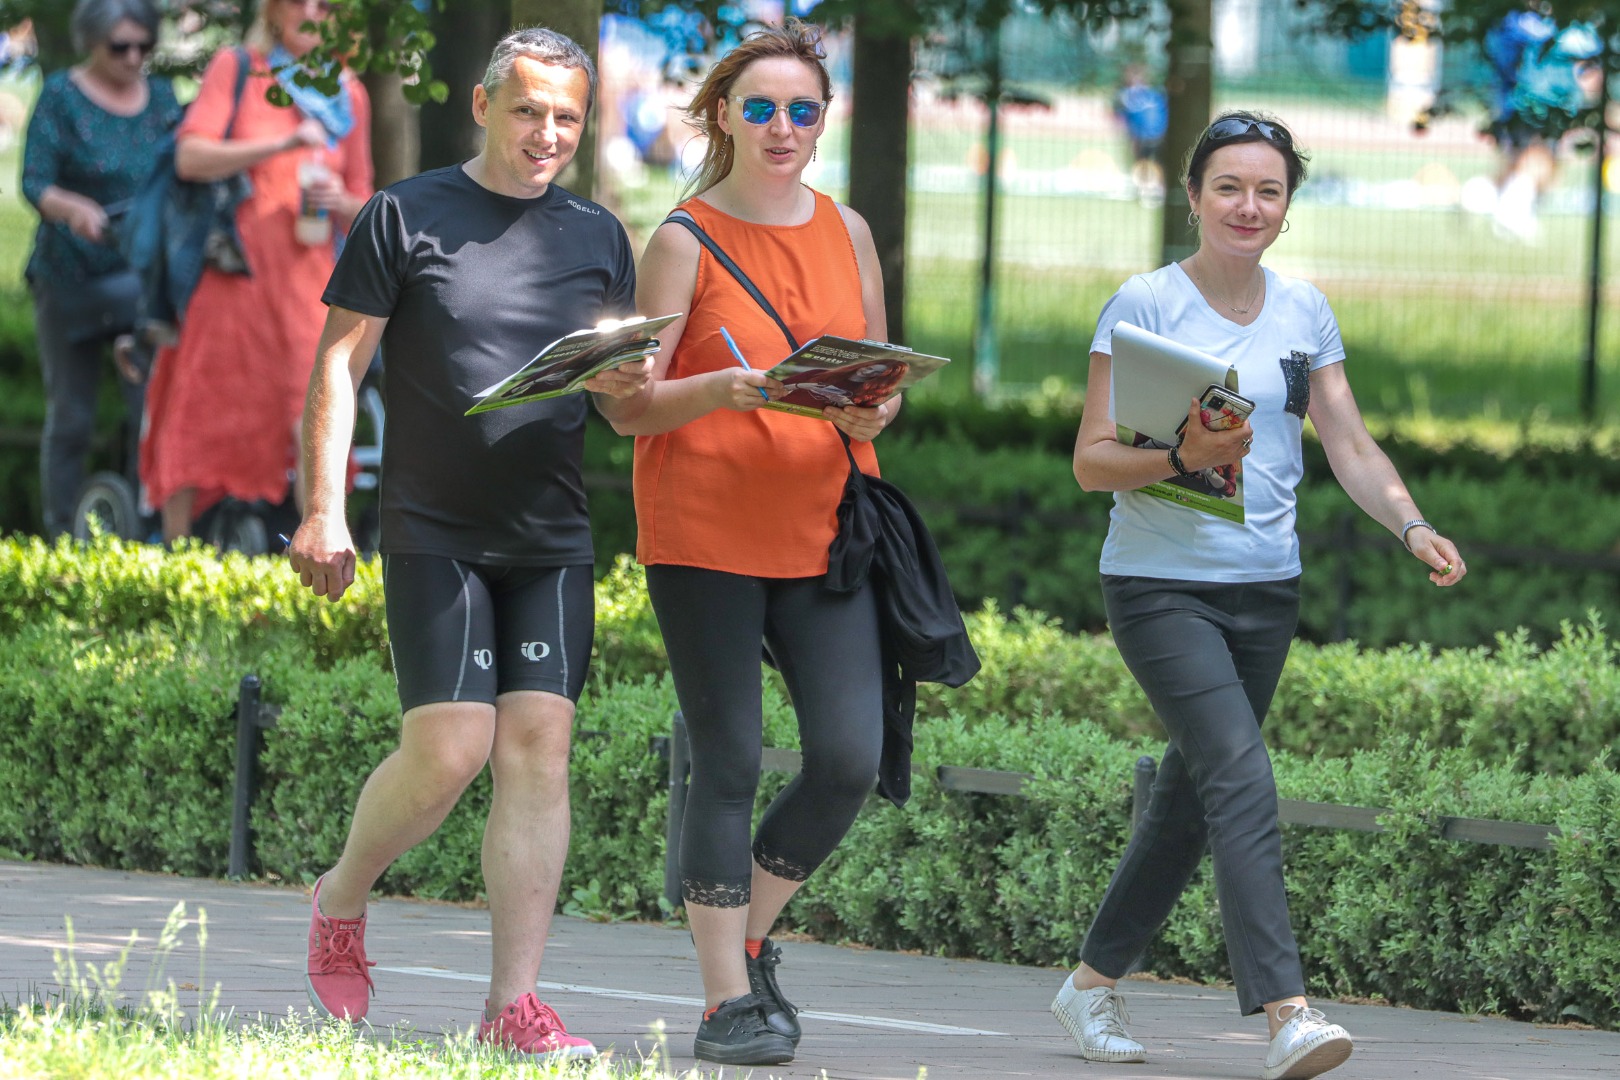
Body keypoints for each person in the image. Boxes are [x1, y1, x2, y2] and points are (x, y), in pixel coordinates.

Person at [1059, 111, 1467, 1080]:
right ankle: (1286, 1010)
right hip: (1158, 589)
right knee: (1240, 772)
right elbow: (1089, 462)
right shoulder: (1145, 304)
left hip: (1264, 593)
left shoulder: (1304, 311)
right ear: (1193, 196)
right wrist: (1180, 456)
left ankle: (1088, 985)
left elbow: (1349, 445)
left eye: (1269, 191)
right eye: (1230, 188)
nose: (1249, 206)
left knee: (1193, 801)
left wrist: (1411, 522)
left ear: (1288, 209)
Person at [286, 26, 646, 1061]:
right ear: (484, 104)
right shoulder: (404, 215)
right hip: (435, 530)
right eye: (528, 109)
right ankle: (342, 896)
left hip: (551, 537)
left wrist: (630, 385)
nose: (546, 133)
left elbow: (623, 408)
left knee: (539, 751)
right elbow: (338, 371)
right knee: (450, 750)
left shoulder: (597, 234)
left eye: (567, 117)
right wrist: (323, 509)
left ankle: (512, 1006)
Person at [597, 18, 891, 1068]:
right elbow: (629, 413)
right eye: (759, 106)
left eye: (802, 109)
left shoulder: (848, 230)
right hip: (707, 528)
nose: (781, 126)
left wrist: (867, 415)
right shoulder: (681, 238)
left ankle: (753, 934)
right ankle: (726, 1001)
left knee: (850, 757)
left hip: (828, 528)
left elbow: (873, 385)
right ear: (721, 113)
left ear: (824, 120)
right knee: (724, 756)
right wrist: (721, 388)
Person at [139, 0, 373, 542]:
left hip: (309, 289)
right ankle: (175, 566)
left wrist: (340, 199)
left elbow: (366, 204)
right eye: (298, 0)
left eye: (328, 4)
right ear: (272, 10)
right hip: (230, 281)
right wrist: (284, 143)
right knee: (201, 409)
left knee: (313, 415)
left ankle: (324, 561)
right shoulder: (238, 67)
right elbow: (188, 157)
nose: (312, 11)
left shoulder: (349, 93)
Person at [21, 0, 181, 538]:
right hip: (70, 277)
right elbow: (34, 181)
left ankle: (146, 529)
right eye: (120, 47)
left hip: (139, 278)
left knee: (149, 410)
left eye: (144, 46)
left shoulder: (160, 98)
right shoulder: (62, 96)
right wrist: (72, 209)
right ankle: (62, 534)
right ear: (93, 42)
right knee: (72, 417)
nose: (134, 57)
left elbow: (180, 172)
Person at [1113, 63, 1167, 205]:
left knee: (1160, 163)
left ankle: (1161, 190)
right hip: (1139, 136)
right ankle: (1141, 189)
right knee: (1140, 163)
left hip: (1158, 134)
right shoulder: (1126, 96)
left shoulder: (1154, 94)